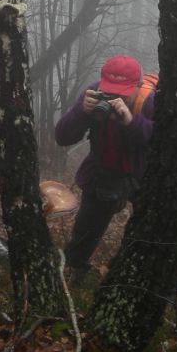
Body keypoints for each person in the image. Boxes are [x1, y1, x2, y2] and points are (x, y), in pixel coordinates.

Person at [54, 55, 155, 281]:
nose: (114, 97)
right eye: (110, 91)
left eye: (122, 92)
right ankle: (74, 268)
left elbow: (165, 140)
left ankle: (135, 275)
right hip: (103, 170)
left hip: (143, 172)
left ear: (137, 87)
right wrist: (82, 111)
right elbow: (62, 136)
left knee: (150, 228)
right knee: (87, 228)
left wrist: (131, 122)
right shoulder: (93, 94)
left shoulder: (148, 101)